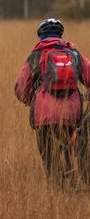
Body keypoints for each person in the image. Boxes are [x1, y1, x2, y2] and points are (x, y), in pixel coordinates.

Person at [14, 18, 90, 182]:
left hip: (44, 115)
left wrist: (30, 100)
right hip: (72, 113)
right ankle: (72, 179)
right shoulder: (74, 54)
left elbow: (21, 88)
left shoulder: (36, 55)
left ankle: (57, 186)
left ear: (41, 36)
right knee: (70, 146)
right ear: (60, 35)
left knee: (49, 156)